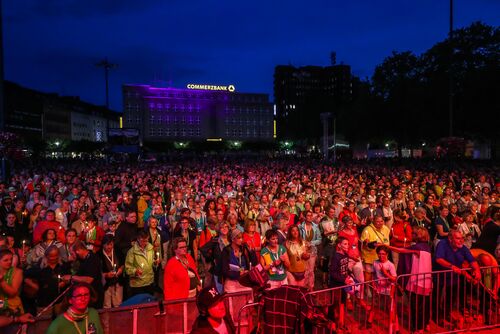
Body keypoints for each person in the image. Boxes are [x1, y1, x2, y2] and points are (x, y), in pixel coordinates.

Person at [62, 240, 104, 308]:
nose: (71, 256)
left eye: (72, 253)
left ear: (78, 251)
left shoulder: (92, 259)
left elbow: (89, 279)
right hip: (86, 295)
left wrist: (71, 277)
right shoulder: (82, 260)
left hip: (94, 295)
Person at [125, 230, 158, 297]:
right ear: (138, 239)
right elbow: (127, 268)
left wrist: (155, 263)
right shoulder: (132, 252)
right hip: (138, 284)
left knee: (149, 303)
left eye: (146, 240)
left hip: (149, 281)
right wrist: (135, 271)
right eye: (142, 241)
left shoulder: (150, 248)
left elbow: (152, 263)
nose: (145, 243)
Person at [360, 215, 390, 285]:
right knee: (368, 274)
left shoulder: (386, 228)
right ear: (373, 221)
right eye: (377, 221)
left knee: (379, 275)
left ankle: (377, 290)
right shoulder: (367, 230)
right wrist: (372, 245)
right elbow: (364, 244)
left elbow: (387, 241)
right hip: (369, 257)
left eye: (381, 221)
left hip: (381, 257)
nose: (380, 223)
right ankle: (367, 289)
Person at [100, 235, 124, 308]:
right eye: (107, 245)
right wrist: (106, 275)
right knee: (107, 305)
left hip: (118, 282)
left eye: (111, 244)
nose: (109, 247)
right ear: (103, 244)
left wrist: (121, 269)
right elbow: (97, 272)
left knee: (118, 304)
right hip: (106, 285)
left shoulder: (117, 250)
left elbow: (123, 263)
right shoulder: (99, 255)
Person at [0, 248, 24, 315]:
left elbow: (12, 293)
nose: (9, 262)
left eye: (11, 259)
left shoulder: (17, 272)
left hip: (13, 308)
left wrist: (1, 281)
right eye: (6, 260)